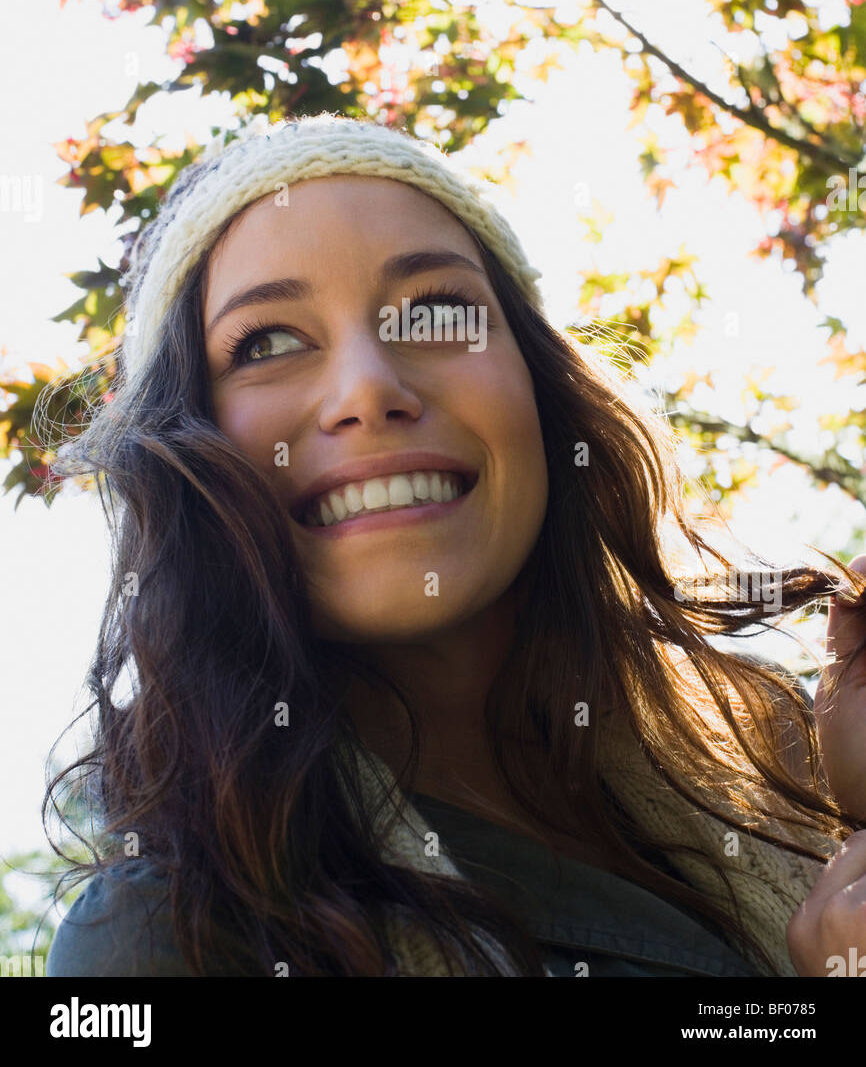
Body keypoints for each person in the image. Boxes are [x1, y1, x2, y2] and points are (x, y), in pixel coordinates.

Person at [41, 114, 866, 978]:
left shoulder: (777, 778)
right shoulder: (167, 938)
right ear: (189, 454)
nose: (367, 386)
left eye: (436, 313)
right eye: (269, 342)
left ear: (543, 394)